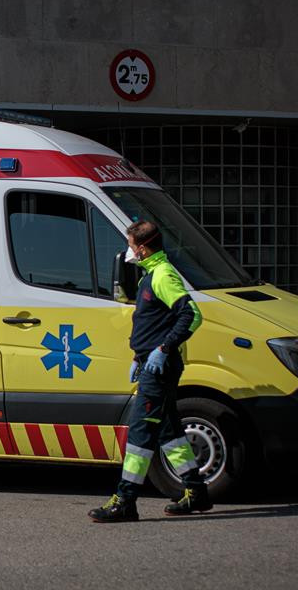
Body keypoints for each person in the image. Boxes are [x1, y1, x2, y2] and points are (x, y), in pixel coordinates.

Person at [89, 220, 212, 522]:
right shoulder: (151, 274)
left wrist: (163, 349)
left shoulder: (162, 276)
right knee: (169, 432)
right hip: (151, 364)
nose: (128, 251)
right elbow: (154, 323)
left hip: (159, 368)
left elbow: (191, 315)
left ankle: (125, 500)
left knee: (140, 434)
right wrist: (139, 354)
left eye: (130, 245)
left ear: (142, 248)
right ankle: (196, 492)